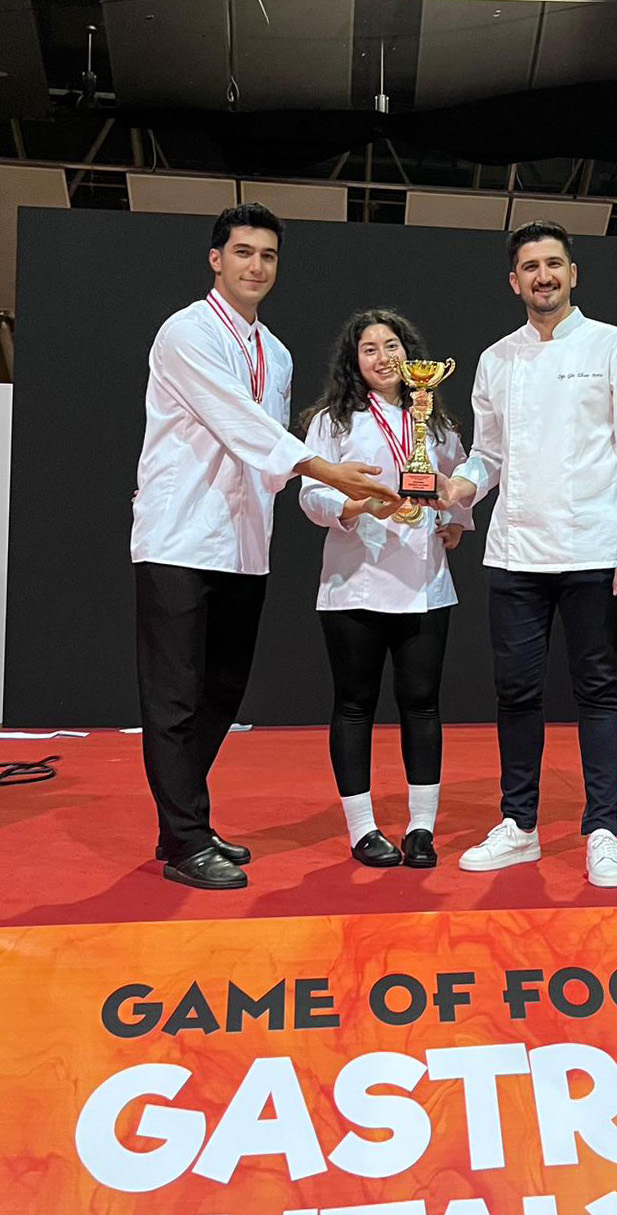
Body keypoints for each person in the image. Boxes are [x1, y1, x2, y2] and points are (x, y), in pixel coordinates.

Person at [131, 203, 395, 891]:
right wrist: (325, 469)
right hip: (179, 536)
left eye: (268, 255)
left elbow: (268, 452)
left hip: (246, 542)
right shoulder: (185, 332)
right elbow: (241, 424)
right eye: (243, 252)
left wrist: (338, 493)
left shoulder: (274, 352)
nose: (256, 266)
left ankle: (181, 821)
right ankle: (185, 839)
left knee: (222, 690)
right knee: (174, 697)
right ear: (216, 259)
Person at [434, 221, 617, 888]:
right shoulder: (495, 359)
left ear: (573, 273)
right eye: (531, 267)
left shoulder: (616, 346)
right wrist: (460, 488)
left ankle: (603, 831)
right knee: (516, 692)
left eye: (554, 264)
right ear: (515, 281)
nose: (544, 276)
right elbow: (489, 454)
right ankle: (520, 825)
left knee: (598, 690)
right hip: (515, 553)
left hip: (594, 548)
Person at [298, 309, 471, 869]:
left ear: (410, 355)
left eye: (391, 345)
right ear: (354, 361)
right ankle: (362, 828)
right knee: (354, 705)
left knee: (422, 704)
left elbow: (460, 479)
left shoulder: (434, 421)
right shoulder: (333, 422)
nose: (382, 357)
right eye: (368, 348)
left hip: (424, 583)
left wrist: (455, 521)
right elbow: (310, 495)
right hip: (355, 582)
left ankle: (422, 828)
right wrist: (356, 506)